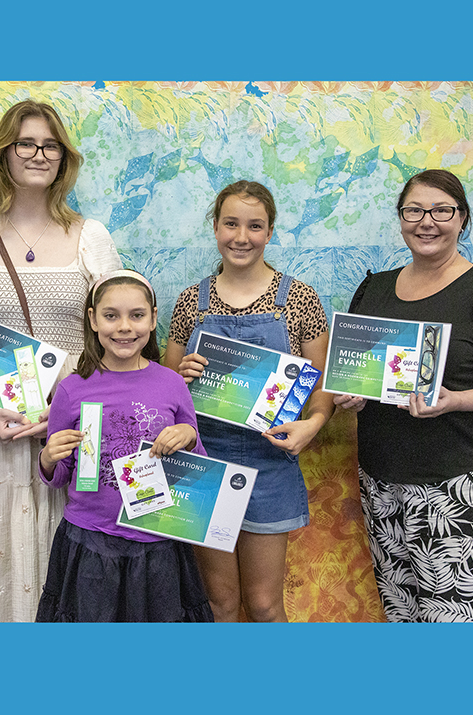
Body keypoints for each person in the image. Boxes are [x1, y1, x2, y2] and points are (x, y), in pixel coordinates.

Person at [0, 99, 122, 622]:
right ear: (4, 154)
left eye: (50, 144)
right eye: (26, 143)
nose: (39, 153)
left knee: (79, 560)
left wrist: (66, 404)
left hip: (76, 429)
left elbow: (117, 333)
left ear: (63, 157)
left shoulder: (92, 237)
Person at [334, 169, 473, 622]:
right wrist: (354, 393)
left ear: (461, 219)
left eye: (442, 210)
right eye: (414, 210)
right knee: (402, 617)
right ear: (401, 218)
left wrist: (457, 399)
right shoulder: (374, 289)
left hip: (461, 487)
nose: (427, 221)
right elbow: (366, 375)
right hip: (383, 480)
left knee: (455, 626)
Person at [164, 180, 334, 622]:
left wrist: (312, 425)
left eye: (254, 226)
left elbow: (324, 386)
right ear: (215, 227)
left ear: (270, 231)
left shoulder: (298, 299)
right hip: (202, 458)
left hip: (270, 461)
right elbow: (165, 390)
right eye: (231, 224)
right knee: (219, 604)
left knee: (263, 605)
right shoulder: (190, 303)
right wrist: (181, 379)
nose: (242, 237)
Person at [35, 270, 214, 622]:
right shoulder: (72, 390)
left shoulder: (172, 383)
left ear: (153, 319)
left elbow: (198, 467)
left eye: (136, 315)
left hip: (158, 541)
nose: (124, 327)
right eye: (111, 315)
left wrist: (189, 437)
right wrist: (47, 458)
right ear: (93, 319)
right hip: (89, 540)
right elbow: (59, 476)